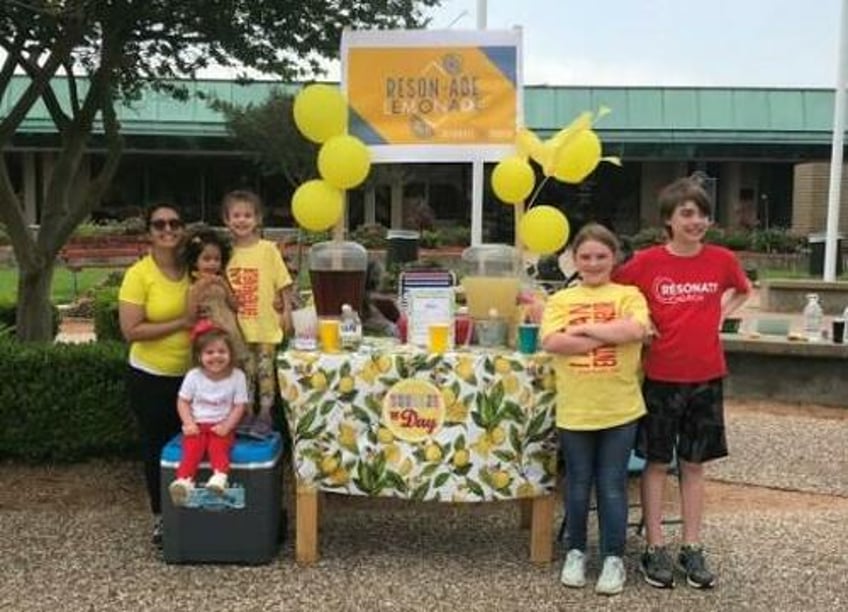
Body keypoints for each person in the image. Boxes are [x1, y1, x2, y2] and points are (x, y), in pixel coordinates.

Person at [614, 176, 751, 589]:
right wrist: (641, 321)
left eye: (703, 214)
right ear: (669, 220)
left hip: (707, 377)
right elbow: (614, 292)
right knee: (656, 464)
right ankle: (654, 547)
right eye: (687, 214)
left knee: (693, 465)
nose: (697, 221)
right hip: (660, 377)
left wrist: (720, 312)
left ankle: (691, 546)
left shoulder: (722, 259)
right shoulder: (647, 262)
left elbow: (743, 290)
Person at [540, 223, 649, 596]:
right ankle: (575, 551)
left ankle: (613, 558)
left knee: (613, 486)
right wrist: (606, 332)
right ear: (574, 259)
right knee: (576, 485)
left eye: (601, 256)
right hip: (576, 408)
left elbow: (635, 331)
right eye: (585, 256)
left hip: (620, 408)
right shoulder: (560, 300)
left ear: (614, 257)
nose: (593, 262)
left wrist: (584, 330)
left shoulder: (629, 294)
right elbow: (553, 341)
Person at [118, 204, 193, 546]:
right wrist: (181, 323)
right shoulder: (139, 274)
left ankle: (194, 512)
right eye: (159, 224)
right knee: (158, 449)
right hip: (152, 376)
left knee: (197, 445)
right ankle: (163, 517)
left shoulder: (193, 269)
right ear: (149, 231)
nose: (168, 229)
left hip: (195, 377)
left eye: (174, 223)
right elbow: (131, 329)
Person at [221, 190, 293, 437]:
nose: (242, 220)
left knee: (265, 372)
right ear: (226, 219)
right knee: (244, 374)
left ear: (258, 219)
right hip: (239, 329)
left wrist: (287, 312)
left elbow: (284, 283)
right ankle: (246, 412)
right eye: (236, 215)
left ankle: (265, 413)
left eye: (248, 215)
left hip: (265, 326)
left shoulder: (268, 249)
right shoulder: (225, 254)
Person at [168, 322, 248, 505]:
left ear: (230, 354)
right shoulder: (193, 376)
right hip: (197, 425)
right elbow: (183, 401)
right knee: (192, 449)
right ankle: (184, 481)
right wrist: (188, 423)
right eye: (209, 352)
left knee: (219, 447)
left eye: (221, 351)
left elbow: (239, 406)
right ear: (199, 356)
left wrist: (227, 426)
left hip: (221, 425)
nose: (216, 357)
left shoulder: (237, 376)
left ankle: (219, 477)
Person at [181, 225, 247, 365]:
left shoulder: (222, 282)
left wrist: (224, 285)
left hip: (230, 331)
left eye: (217, 259)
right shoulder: (193, 287)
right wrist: (200, 288)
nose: (212, 264)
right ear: (195, 262)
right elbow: (190, 316)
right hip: (210, 335)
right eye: (206, 259)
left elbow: (235, 306)